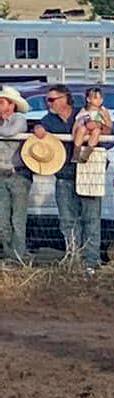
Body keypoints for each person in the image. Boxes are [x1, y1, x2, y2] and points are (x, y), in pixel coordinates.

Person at [33, 84, 102, 273]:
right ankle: (73, 258)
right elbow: (37, 132)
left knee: (91, 219)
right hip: (64, 175)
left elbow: (106, 133)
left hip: (88, 173)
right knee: (68, 220)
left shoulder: (84, 113)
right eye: (48, 100)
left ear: (64, 98)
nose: (48, 103)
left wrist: (96, 128)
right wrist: (37, 129)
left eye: (51, 99)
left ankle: (91, 262)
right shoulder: (47, 120)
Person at [0, 85, 32, 264]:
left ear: (11, 105)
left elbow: (10, 132)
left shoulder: (19, 119)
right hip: (2, 174)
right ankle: (9, 253)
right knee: (2, 219)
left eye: (2, 102)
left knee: (18, 219)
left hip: (18, 174)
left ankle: (18, 255)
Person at [71, 86, 112, 164]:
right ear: (88, 99)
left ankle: (87, 153)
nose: (99, 101)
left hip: (97, 130)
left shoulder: (103, 111)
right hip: (86, 130)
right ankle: (76, 151)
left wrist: (104, 118)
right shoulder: (84, 111)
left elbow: (109, 125)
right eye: (95, 98)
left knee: (96, 131)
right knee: (82, 129)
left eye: (101, 98)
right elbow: (77, 123)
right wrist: (74, 133)